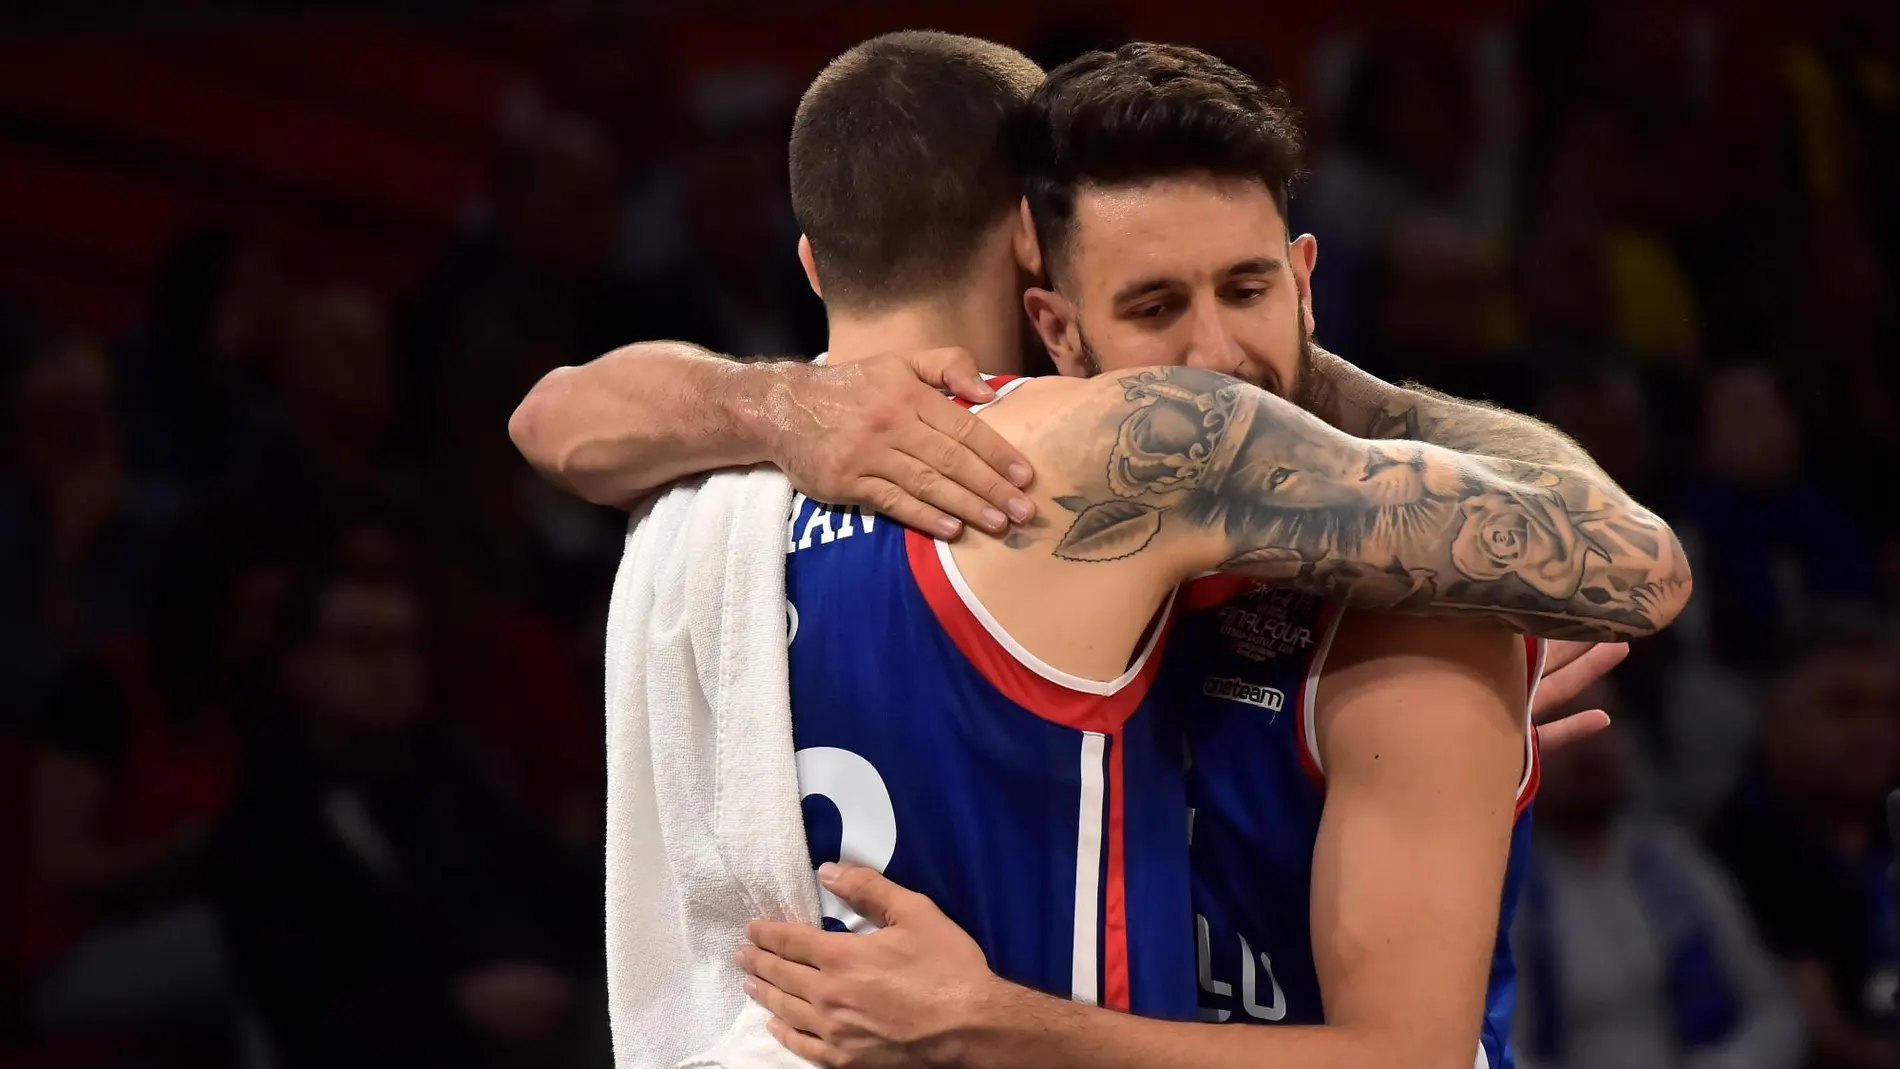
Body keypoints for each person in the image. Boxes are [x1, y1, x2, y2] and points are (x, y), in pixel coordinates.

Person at [510, 32, 1686, 1068]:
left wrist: (768, 406)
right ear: (1044, 292)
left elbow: (549, 414)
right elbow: (1634, 562)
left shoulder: (695, 500)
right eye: (1158, 306)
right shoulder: (1122, 471)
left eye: (1247, 288)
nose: (1212, 358)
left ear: (816, 263)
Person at [1512, 681, 1801, 1069]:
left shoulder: (1673, 860)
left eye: (1606, 723)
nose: (1592, 744)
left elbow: (1776, 1012)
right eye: (1565, 721)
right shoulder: (1502, 879)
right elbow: (1491, 1045)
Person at [1707, 610, 1900, 1069]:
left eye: (1891, 709)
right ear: (1773, 715)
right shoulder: (1742, 848)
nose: (1874, 732)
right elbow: (1824, 1039)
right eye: (1843, 706)